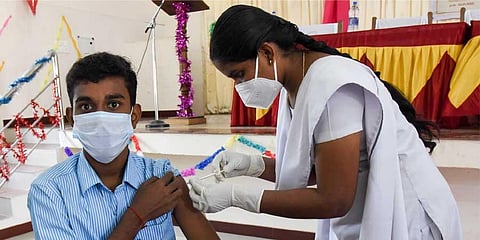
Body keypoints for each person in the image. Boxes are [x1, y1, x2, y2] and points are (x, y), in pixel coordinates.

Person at [188, 5, 462, 240]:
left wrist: (237, 197)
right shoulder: (295, 84)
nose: (239, 86)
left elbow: (334, 199)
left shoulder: (330, 88)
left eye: (239, 74)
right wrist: (254, 166)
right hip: (366, 206)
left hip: (409, 212)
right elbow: (324, 169)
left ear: (268, 53)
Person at [27, 52, 219, 240]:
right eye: (86, 107)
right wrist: (137, 215)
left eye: (113, 105)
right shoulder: (49, 191)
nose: (101, 118)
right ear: (72, 118)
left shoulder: (162, 177)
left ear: (134, 116)